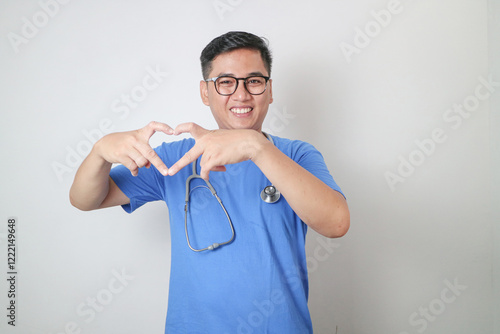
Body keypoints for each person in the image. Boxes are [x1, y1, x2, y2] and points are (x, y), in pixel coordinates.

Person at [70, 31, 350, 333]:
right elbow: (86, 200)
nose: (241, 95)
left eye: (254, 81)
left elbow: (336, 224)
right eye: (226, 82)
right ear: (205, 92)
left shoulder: (296, 155)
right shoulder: (177, 157)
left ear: (269, 91)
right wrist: (100, 152)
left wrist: (256, 147)